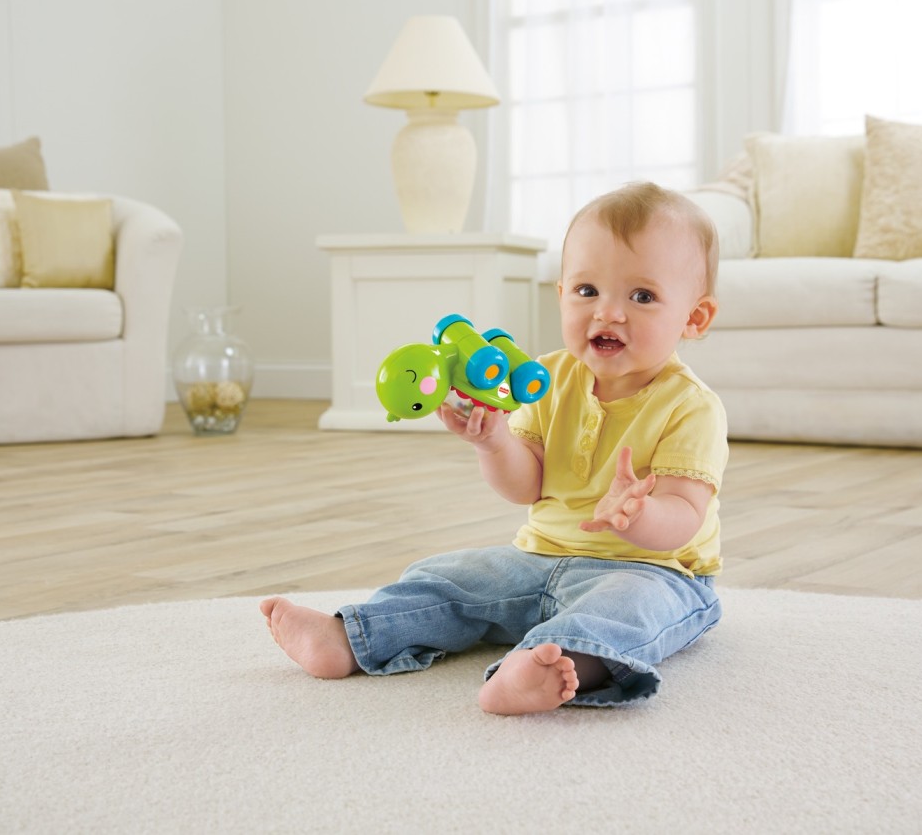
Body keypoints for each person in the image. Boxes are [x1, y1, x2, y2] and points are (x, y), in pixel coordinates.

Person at [261, 182, 727, 714]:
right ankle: (350, 636)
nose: (608, 313)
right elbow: (524, 485)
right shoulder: (549, 378)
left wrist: (639, 515)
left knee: (628, 611)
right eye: (587, 290)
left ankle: (545, 664)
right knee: (449, 577)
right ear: (561, 294)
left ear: (694, 318)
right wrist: (494, 442)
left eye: (641, 297)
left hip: (655, 570)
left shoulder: (691, 406)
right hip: (538, 558)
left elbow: (685, 513)